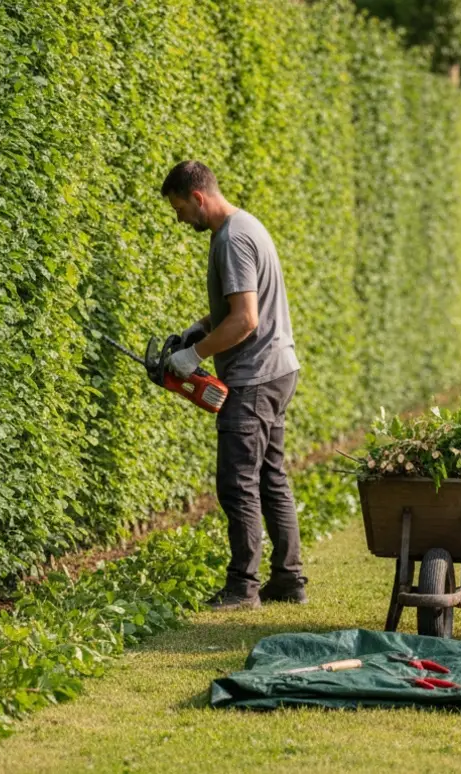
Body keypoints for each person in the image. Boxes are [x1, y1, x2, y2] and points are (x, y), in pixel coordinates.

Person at [160, 160, 306, 610]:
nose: (180, 219)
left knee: (237, 481)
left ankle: (244, 586)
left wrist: (193, 356)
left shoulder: (231, 240)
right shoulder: (247, 226)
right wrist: (197, 330)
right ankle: (288, 579)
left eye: (181, 208)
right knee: (270, 477)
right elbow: (235, 306)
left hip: (255, 375)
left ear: (198, 198)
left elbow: (245, 319)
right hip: (279, 367)